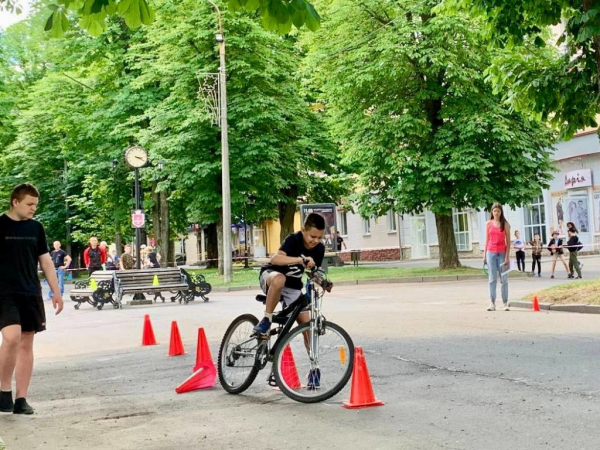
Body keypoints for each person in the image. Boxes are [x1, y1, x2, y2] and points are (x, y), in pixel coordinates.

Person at [0, 183, 63, 415]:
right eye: (29, 204)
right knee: (12, 337)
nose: (33, 209)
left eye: (35, 205)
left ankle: (21, 399)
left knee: (27, 342)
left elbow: (45, 261)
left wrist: (56, 292)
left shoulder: (36, 228)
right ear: (15, 202)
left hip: (30, 292)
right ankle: (3, 389)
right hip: (4, 293)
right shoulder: (0, 225)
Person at [483, 203, 511, 311]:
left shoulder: (505, 224)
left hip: (502, 253)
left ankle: (505, 303)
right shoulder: (488, 224)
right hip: (491, 253)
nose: (496, 213)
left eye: (498, 211)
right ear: (492, 212)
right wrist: (484, 254)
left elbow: (508, 242)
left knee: (504, 279)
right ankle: (492, 303)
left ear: (501, 212)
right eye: (494, 211)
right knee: (492, 278)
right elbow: (487, 240)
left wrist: (507, 256)